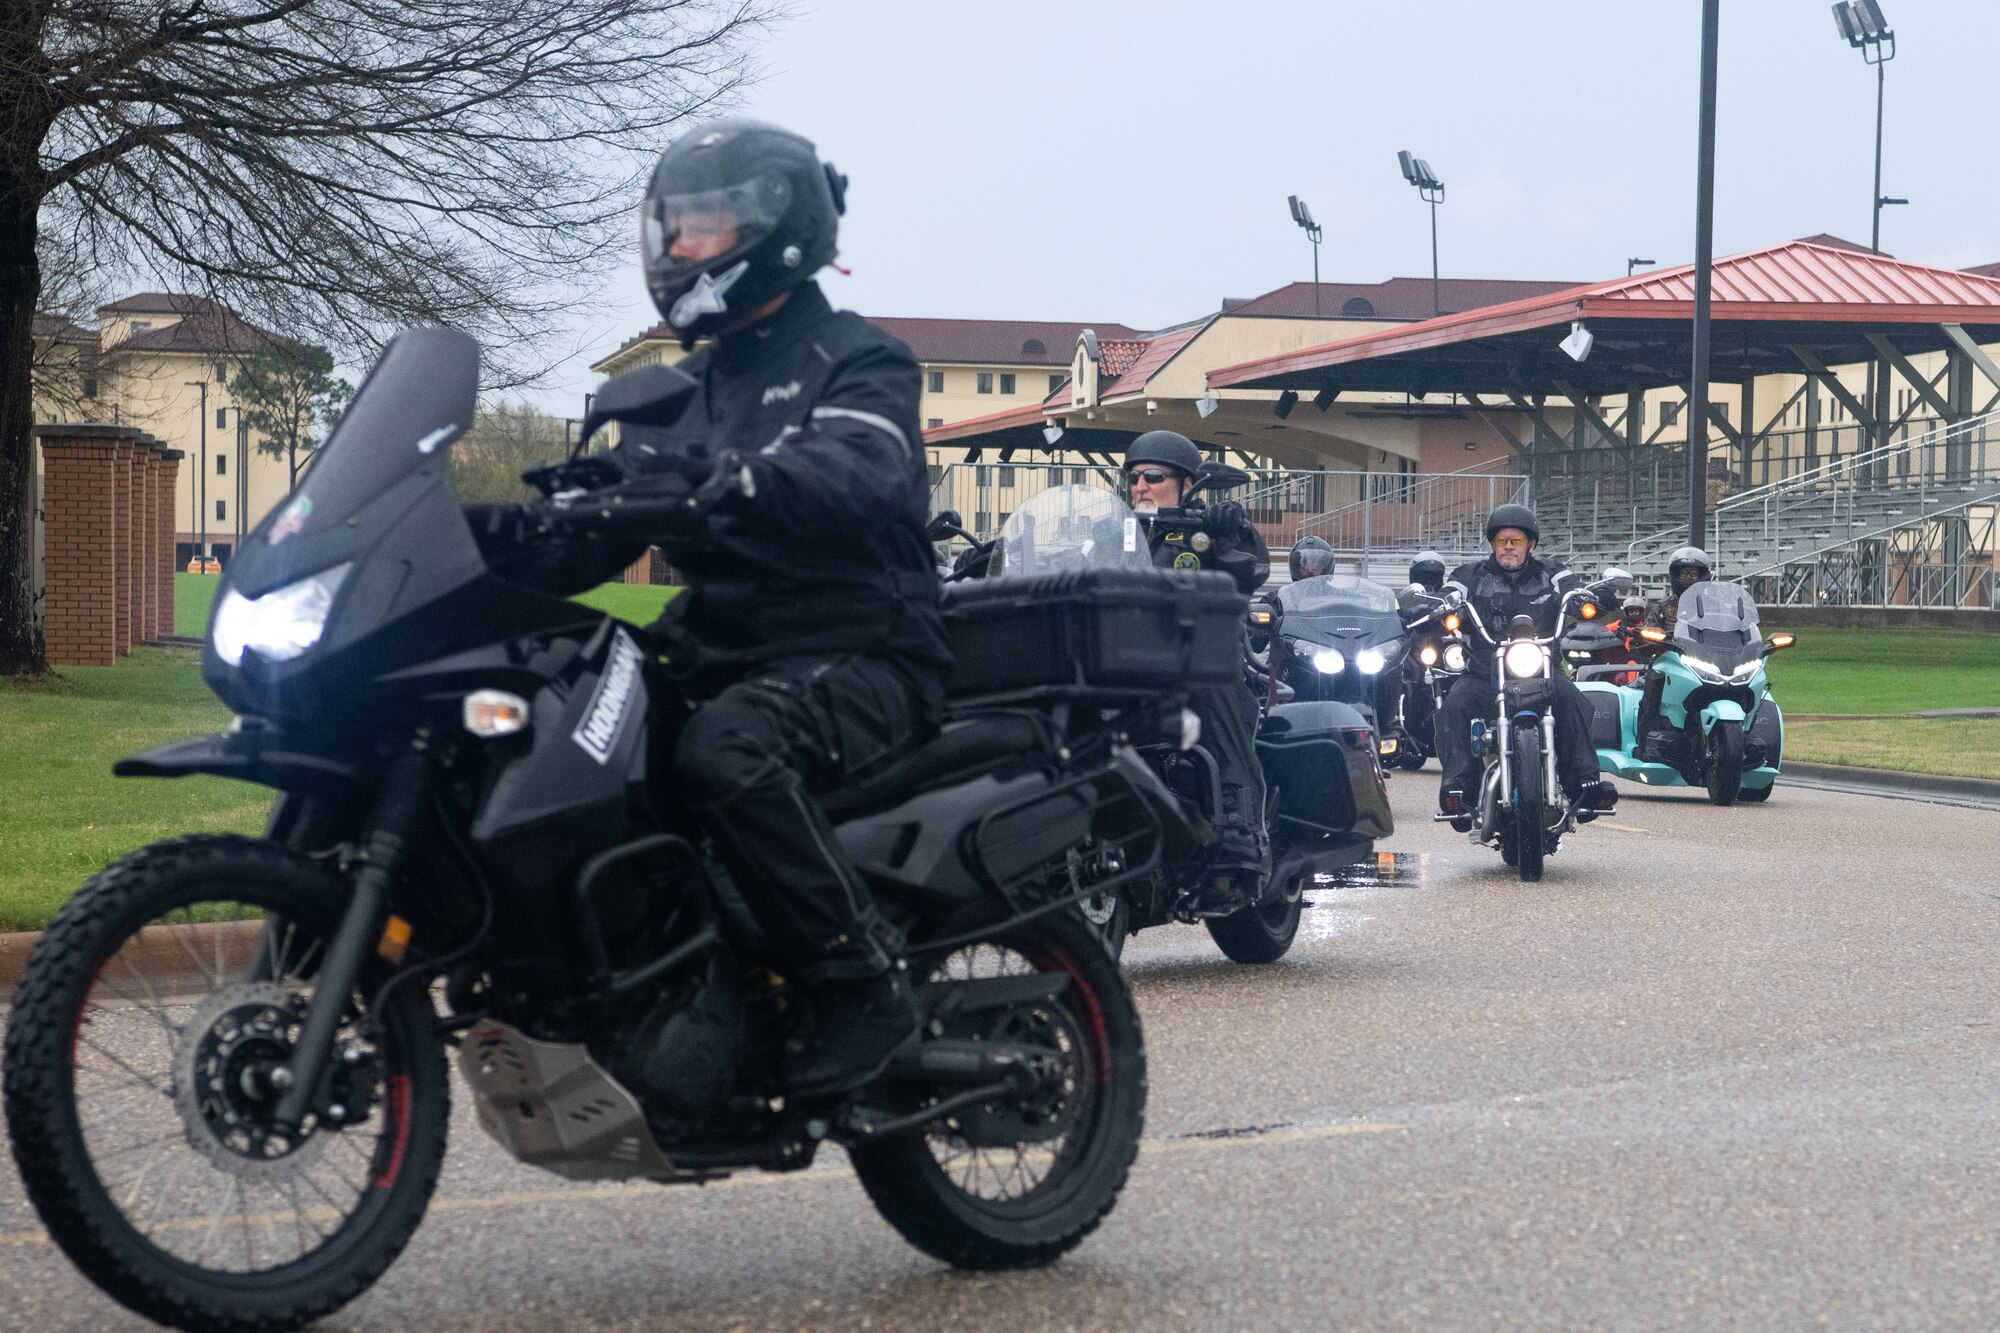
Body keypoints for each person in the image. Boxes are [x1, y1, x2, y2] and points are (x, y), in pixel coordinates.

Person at [467, 118, 947, 1097]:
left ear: (775, 227)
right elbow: (591, 534)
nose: (675, 249)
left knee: (726, 753)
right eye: (670, 230)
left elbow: (863, 469)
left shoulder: (858, 360)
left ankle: (861, 980)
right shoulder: (676, 391)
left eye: (699, 230)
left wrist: (743, 480)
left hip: (860, 647)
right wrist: (477, 534)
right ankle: (662, 975)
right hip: (721, 647)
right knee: (563, 724)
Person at [1123, 430, 1272, 880]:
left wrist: (1232, 531)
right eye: (1133, 478)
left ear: (1188, 485)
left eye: (1152, 476)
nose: (1140, 486)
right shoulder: (1118, 536)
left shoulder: (1204, 533)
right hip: (1125, 666)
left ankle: (1241, 825)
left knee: (1211, 695)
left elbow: (1252, 568)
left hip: (1200, 665)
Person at [1433, 504, 1617, 826]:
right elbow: (1451, 593)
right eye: (1502, 539)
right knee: (1452, 708)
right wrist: (1438, 604)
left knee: (1574, 701)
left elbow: (1574, 588)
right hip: (1484, 672)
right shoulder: (1470, 576)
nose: (1508, 546)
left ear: (1530, 545)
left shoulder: (1552, 573)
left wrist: (1587, 598)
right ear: (1492, 543)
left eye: (1516, 540)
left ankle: (1584, 786)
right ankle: (1458, 790)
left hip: (1542, 671)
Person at [1638, 546, 1714, 744]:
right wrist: (1654, 637)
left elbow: (1735, 626)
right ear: (1675, 575)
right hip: (1673, 663)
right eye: (1684, 573)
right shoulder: (1664, 607)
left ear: (1704, 575)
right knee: (1653, 682)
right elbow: (1647, 632)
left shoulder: (1717, 606)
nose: (1688, 578)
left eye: (1693, 573)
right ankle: (1644, 743)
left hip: (1712, 663)